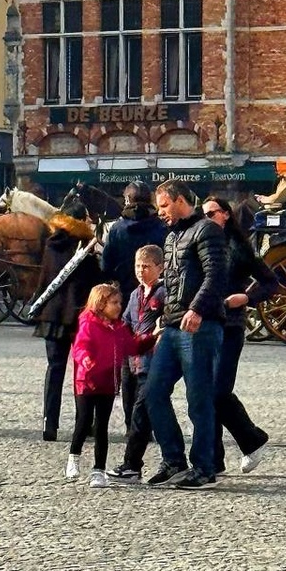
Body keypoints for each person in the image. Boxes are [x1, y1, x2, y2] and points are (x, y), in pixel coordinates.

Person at [145, 179, 228, 491]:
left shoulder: (207, 230)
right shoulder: (171, 237)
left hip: (200, 325)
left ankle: (204, 468)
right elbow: (171, 282)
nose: (161, 212)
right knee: (153, 392)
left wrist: (197, 309)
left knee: (198, 398)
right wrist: (161, 317)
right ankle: (174, 460)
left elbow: (216, 274)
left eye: (164, 206)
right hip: (172, 325)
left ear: (180, 200)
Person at [203, 195, 278, 474]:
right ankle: (213, 460)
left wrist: (246, 298)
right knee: (205, 393)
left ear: (225, 214)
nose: (207, 219)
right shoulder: (202, 244)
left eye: (211, 213)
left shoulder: (238, 247)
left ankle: (253, 439)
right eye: (203, 215)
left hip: (231, 326)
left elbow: (270, 282)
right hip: (205, 325)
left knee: (219, 392)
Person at [65, 282, 156, 488]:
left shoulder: (119, 328)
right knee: (84, 421)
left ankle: (98, 470)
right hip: (87, 382)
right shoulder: (88, 324)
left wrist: (152, 337)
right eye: (114, 303)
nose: (118, 307)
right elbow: (80, 346)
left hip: (108, 383)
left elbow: (132, 346)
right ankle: (74, 456)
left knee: (102, 427)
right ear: (100, 304)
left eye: (119, 303)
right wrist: (86, 359)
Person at [31, 204, 101, 442]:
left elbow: (44, 279)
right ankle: (84, 423)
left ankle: (49, 424)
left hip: (52, 315)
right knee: (83, 370)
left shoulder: (50, 245)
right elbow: (94, 281)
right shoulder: (85, 246)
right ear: (81, 220)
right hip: (78, 315)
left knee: (54, 369)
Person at [100, 182, 166, 428]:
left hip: (124, 301)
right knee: (153, 366)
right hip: (156, 299)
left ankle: (131, 423)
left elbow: (106, 266)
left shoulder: (117, 229)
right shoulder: (161, 227)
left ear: (126, 200)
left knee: (126, 366)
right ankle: (147, 422)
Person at [107, 244, 166, 485]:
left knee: (141, 414)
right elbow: (126, 323)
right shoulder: (134, 294)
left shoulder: (163, 293)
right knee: (132, 411)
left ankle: (132, 464)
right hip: (130, 360)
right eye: (138, 266)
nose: (141, 271)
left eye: (146, 267)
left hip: (151, 361)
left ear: (160, 268)